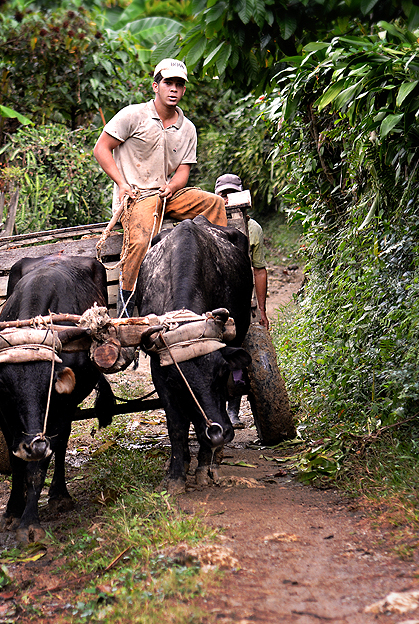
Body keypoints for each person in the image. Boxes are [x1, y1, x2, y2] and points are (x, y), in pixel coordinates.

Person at [93, 58, 227, 317]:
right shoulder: (133, 115)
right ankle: (126, 309)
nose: (174, 89)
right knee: (141, 241)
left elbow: (183, 171)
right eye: (168, 83)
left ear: (184, 90)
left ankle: (218, 274)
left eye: (179, 84)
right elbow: (101, 149)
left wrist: (173, 186)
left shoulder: (187, 128)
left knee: (214, 203)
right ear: (156, 86)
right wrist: (122, 184)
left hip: (168, 195)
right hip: (137, 197)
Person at [214, 173, 269, 427]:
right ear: (215, 197)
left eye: (231, 194)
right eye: (222, 194)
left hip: (237, 301)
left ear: (241, 196)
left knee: (237, 355)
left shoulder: (252, 228)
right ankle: (215, 411)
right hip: (211, 302)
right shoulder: (205, 225)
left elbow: (259, 269)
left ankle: (233, 410)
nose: (227, 200)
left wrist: (261, 310)